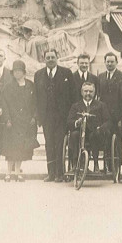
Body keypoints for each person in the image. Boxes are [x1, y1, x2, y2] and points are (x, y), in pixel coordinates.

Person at [34, 49, 75, 182]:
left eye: (53, 57)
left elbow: (73, 96)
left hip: (62, 117)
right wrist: (39, 117)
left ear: (57, 58)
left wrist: (70, 116)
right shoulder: (38, 75)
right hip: (47, 117)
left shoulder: (66, 73)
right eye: (48, 57)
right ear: (44, 59)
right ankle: (51, 173)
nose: (50, 59)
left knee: (60, 144)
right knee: (49, 144)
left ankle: (60, 173)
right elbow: (36, 97)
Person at [1, 60, 38, 182]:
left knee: (21, 148)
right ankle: (8, 173)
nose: (17, 73)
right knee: (11, 148)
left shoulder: (30, 85)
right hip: (13, 122)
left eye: (19, 71)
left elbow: (35, 103)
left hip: (25, 122)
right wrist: (7, 119)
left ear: (24, 72)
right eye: (15, 71)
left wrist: (34, 117)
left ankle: (17, 173)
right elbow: (4, 104)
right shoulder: (8, 87)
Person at [67, 82, 111, 174]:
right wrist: (76, 122)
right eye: (85, 91)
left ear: (94, 92)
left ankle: (96, 164)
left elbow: (108, 121)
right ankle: (76, 164)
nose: (88, 93)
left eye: (90, 91)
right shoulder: (76, 106)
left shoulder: (101, 105)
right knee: (74, 135)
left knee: (94, 136)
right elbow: (69, 122)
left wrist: (100, 128)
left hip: (95, 133)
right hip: (80, 134)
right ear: (81, 92)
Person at [97, 52, 122, 173]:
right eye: (107, 61)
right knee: (105, 140)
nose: (109, 64)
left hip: (117, 115)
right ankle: (106, 165)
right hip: (104, 116)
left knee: (117, 141)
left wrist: (121, 118)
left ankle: (117, 166)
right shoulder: (100, 77)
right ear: (105, 62)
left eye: (112, 61)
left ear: (116, 63)